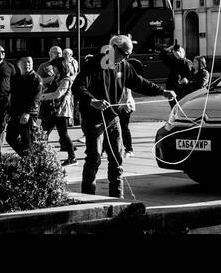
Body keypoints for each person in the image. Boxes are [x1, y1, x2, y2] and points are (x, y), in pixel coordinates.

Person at [72, 35, 174, 198]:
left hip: (112, 118)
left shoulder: (124, 66)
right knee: (94, 158)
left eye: (129, 54)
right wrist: (93, 101)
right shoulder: (94, 64)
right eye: (125, 53)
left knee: (117, 159)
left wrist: (162, 91)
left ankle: (117, 197)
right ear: (112, 48)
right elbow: (77, 87)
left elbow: (139, 83)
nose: (127, 57)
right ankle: (88, 196)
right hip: (93, 119)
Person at [38, 62, 77, 163]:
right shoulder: (56, 78)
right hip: (53, 110)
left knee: (63, 134)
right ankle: (42, 156)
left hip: (61, 110)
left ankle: (72, 157)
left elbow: (58, 94)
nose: (53, 70)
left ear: (60, 68)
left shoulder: (66, 80)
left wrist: (42, 97)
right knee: (43, 133)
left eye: (54, 68)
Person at [6, 55, 43, 156]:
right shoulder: (16, 77)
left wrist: (27, 113)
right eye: (24, 62)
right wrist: (8, 112)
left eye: (29, 62)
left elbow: (36, 99)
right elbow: (12, 96)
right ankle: (26, 158)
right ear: (18, 65)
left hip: (28, 114)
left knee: (27, 141)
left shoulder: (36, 78)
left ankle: (29, 161)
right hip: (15, 113)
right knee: (10, 137)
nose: (27, 64)